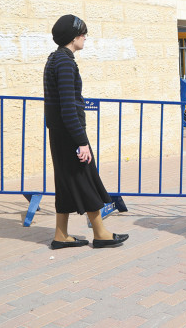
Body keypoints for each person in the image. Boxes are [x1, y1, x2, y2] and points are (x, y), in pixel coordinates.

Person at [44, 14, 128, 250]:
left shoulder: (54, 59)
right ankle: (100, 233)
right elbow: (68, 107)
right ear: (73, 37)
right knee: (86, 180)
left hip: (60, 133)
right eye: (83, 33)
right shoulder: (64, 62)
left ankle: (61, 235)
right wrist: (81, 141)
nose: (85, 37)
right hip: (70, 134)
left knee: (65, 183)